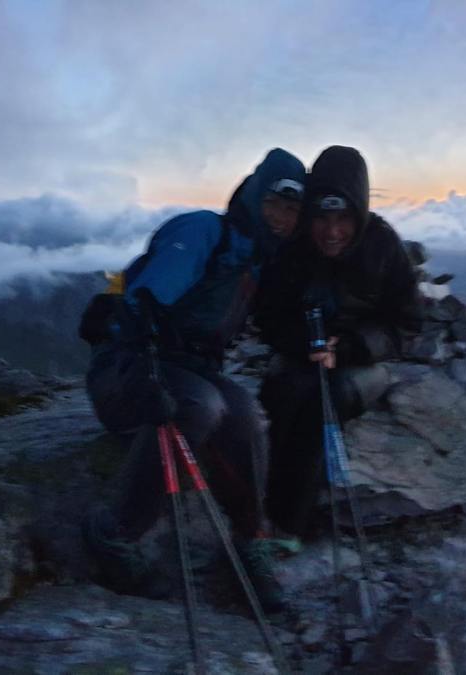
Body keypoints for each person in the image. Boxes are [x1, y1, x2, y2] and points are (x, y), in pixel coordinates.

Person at [79, 148, 306, 610]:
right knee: (201, 405)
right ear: (254, 195)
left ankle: (249, 540)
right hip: (124, 372)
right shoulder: (204, 231)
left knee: (243, 412)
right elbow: (143, 302)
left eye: (293, 211)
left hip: (186, 371)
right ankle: (115, 534)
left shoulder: (259, 263)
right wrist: (146, 361)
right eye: (276, 204)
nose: (282, 218)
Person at [255, 145, 420, 536]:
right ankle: (263, 503)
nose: (332, 231)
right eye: (321, 218)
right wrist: (301, 343)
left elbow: (407, 325)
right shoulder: (294, 252)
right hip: (303, 355)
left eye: (344, 218)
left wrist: (347, 348)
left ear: (360, 213)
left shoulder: (381, 245)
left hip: (360, 363)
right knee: (281, 395)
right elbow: (269, 314)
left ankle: (287, 521)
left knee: (323, 403)